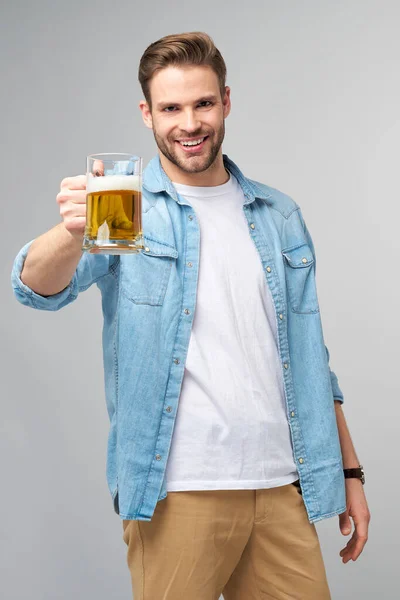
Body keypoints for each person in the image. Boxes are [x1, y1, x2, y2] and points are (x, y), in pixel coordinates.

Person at [11, 31, 370, 600]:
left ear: (226, 101)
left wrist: (349, 473)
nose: (190, 123)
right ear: (146, 114)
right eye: (171, 108)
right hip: (178, 493)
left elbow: (310, 359)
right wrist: (72, 233)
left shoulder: (278, 215)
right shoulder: (122, 206)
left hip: (283, 487)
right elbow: (35, 288)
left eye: (203, 103)